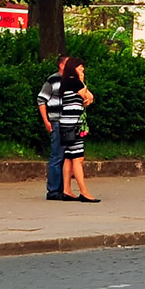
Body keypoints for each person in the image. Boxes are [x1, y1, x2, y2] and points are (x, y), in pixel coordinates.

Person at [58, 57, 100, 202]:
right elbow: (89, 96)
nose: (82, 69)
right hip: (73, 124)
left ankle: (67, 190)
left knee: (69, 157)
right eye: (80, 67)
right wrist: (82, 81)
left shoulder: (65, 82)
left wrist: (86, 98)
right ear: (73, 68)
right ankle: (84, 192)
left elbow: (88, 99)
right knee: (78, 158)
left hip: (66, 123)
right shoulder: (74, 82)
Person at [37, 54, 67, 200]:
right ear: (61, 65)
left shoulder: (73, 81)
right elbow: (41, 100)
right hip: (56, 120)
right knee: (57, 155)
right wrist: (46, 121)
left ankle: (64, 189)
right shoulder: (53, 80)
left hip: (69, 121)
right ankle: (53, 190)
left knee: (66, 157)